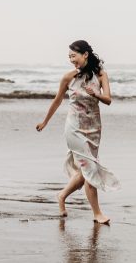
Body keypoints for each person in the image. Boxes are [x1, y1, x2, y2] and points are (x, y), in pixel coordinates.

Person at [36, 40, 119, 223]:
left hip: (94, 129)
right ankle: (97, 214)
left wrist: (95, 94)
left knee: (85, 173)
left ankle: (62, 196)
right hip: (74, 129)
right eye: (69, 57)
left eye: (74, 56)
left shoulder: (101, 75)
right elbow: (57, 101)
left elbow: (108, 99)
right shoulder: (68, 78)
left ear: (85, 55)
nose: (71, 60)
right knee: (90, 169)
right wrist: (45, 122)